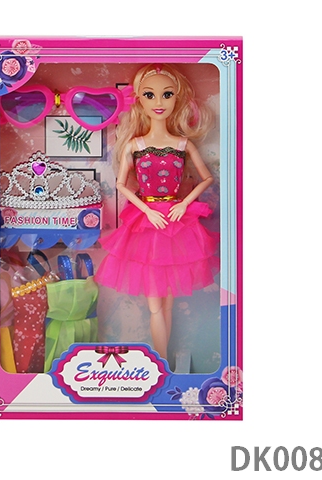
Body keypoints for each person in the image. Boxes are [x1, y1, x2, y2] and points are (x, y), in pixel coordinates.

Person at [95, 64, 219, 360]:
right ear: (139, 98)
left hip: (177, 222)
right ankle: (162, 363)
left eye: (167, 94)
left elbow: (206, 178)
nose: (159, 102)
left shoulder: (182, 144)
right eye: (150, 95)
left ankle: (165, 363)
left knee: (168, 304)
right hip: (147, 222)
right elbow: (121, 185)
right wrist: (146, 210)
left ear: (178, 98)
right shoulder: (135, 145)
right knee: (155, 305)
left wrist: (184, 203)